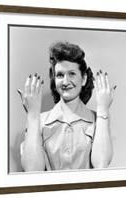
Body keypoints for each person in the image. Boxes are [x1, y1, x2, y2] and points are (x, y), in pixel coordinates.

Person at [17, 41, 116, 171]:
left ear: (84, 79)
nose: (65, 82)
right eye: (60, 75)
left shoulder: (98, 119)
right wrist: (32, 115)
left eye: (72, 74)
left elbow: (101, 165)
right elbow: (32, 170)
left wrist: (103, 109)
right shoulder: (40, 120)